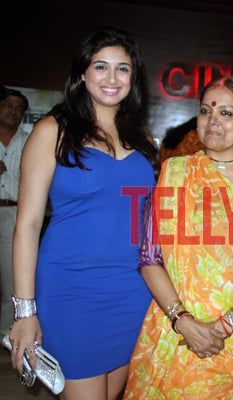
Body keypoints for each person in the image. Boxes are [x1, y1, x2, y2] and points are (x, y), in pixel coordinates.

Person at [8, 27, 157, 399]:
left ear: (133, 78)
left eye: (123, 69)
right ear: (82, 74)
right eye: (101, 67)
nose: (112, 78)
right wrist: (25, 312)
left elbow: (146, 218)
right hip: (70, 291)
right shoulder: (52, 131)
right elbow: (26, 225)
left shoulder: (143, 140)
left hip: (131, 291)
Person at [124, 75, 233, 399]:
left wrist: (223, 327)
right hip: (173, 329)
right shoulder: (174, 172)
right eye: (206, 110)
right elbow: (149, 258)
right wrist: (182, 321)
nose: (213, 121)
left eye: (226, 113)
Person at [0, 86, 29, 338]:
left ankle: (5, 334)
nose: (13, 111)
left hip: (13, 214)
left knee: (11, 279)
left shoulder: (30, 141)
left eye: (19, 108)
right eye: (8, 105)